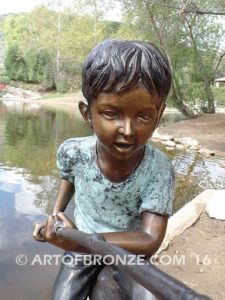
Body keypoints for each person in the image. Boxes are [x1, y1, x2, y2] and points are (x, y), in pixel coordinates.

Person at [33, 39, 175, 300]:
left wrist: (82, 240)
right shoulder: (72, 151)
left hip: (128, 252)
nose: (128, 130)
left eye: (143, 116)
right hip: (81, 245)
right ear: (87, 113)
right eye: (111, 114)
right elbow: (69, 179)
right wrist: (55, 215)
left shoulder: (159, 169)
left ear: (160, 114)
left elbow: (149, 239)